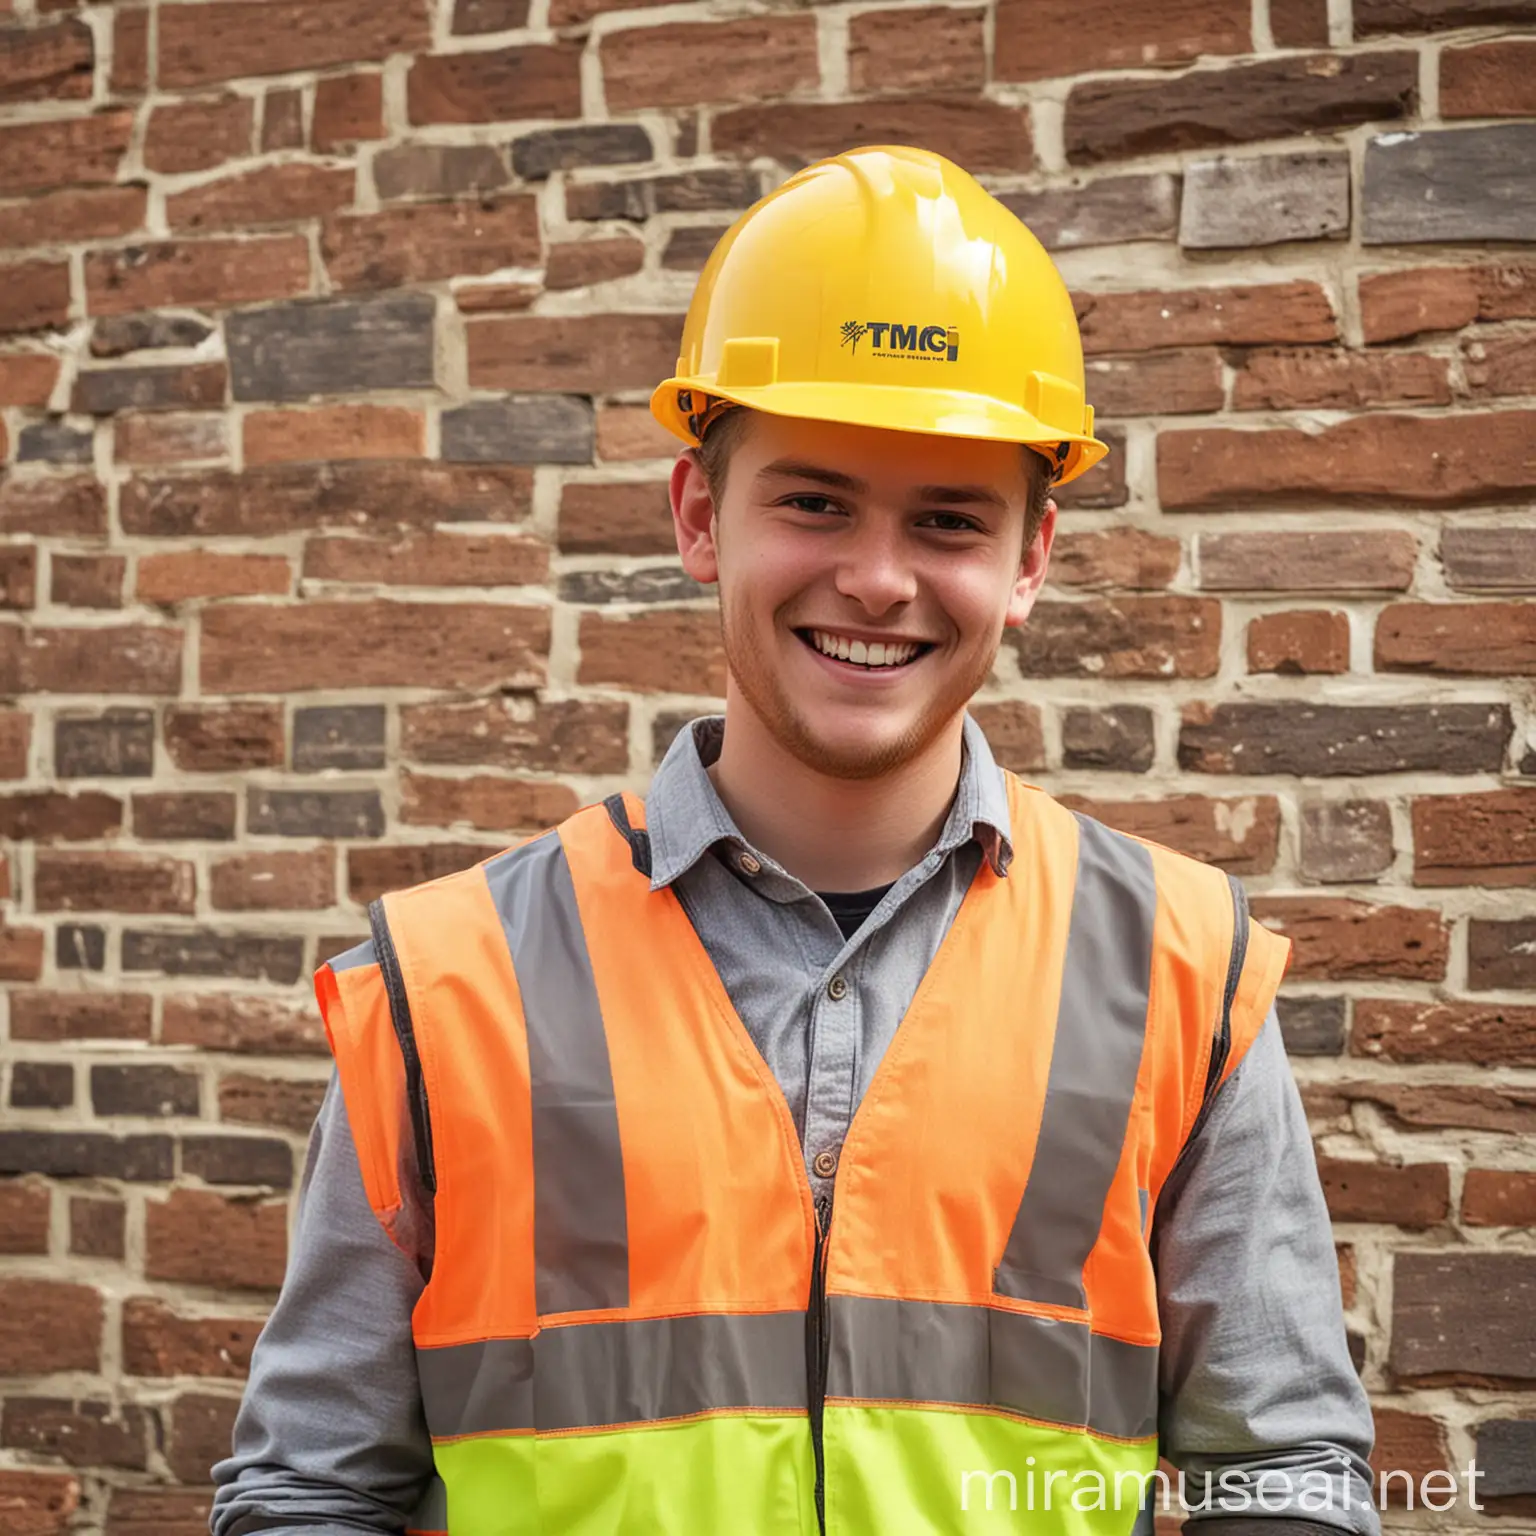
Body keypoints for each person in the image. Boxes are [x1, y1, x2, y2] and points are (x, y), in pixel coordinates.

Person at [211, 145, 1378, 1536]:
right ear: (703, 518)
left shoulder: (1184, 974)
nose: (877, 579)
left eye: (948, 520)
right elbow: (306, 1490)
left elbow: (1289, 1477)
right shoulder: (449, 982)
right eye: (814, 500)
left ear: (1030, 563)